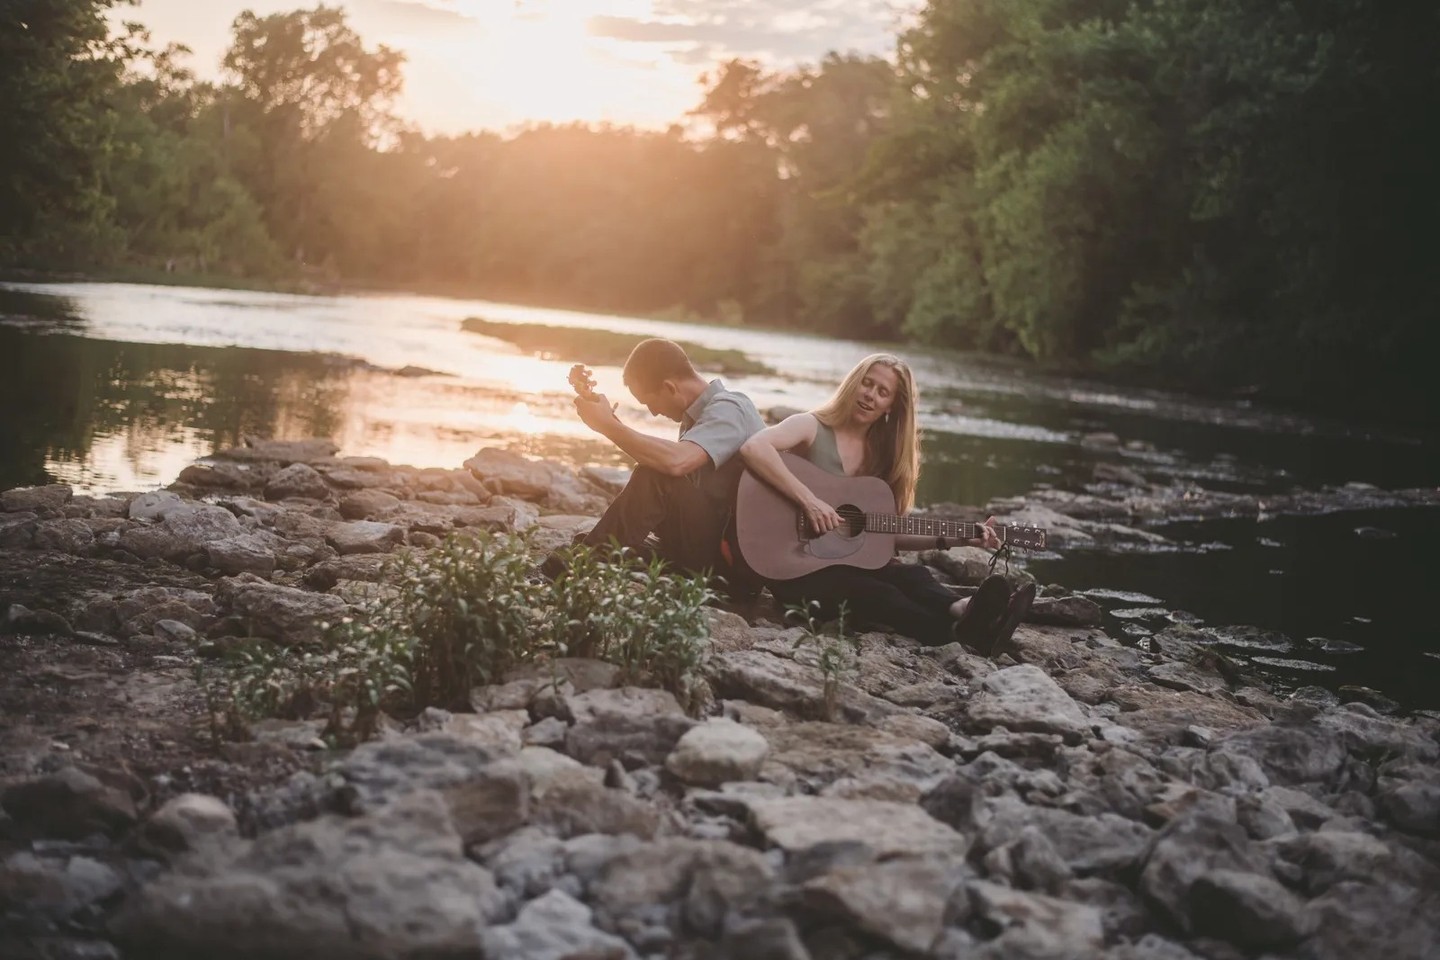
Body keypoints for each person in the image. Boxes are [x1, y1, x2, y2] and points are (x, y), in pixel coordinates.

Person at [738, 352, 1035, 655]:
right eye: (867, 384)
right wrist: (809, 500)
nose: (870, 395)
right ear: (854, 383)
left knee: (911, 575)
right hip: (792, 571)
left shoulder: (881, 459)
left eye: (882, 392)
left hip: (841, 566)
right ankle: (956, 633)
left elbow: (890, 532)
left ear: (892, 406)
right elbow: (754, 447)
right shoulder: (811, 426)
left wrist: (956, 537)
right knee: (876, 593)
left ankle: (962, 609)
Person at [544, 338, 766, 584]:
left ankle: (582, 565)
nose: (653, 412)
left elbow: (675, 464)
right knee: (606, 543)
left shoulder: (730, 408)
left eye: (649, 402)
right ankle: (588, 559)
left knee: (656, 478)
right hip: (710, 545)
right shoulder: (702, 416)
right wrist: (611, 421)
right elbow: (670, 459)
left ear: (670, 387)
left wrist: (607, 426)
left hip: (732, 565)